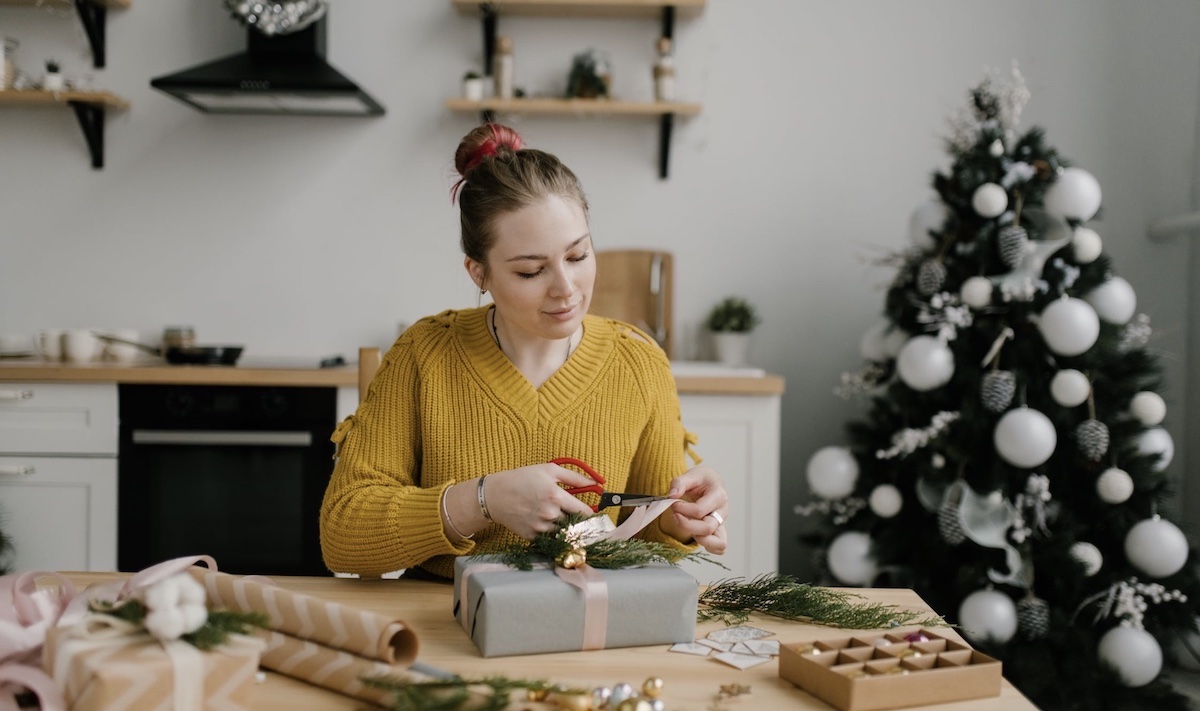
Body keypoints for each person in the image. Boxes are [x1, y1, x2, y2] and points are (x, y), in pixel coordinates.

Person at [319, 123, 729, 580]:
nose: (566, 289)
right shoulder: (424, 355)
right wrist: (485, 499)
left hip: (586, 623)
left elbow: (648, 533)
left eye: (577, 256)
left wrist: (682, 520)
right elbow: (343, 534)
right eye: (531, 272)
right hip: (445, 624)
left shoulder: (638, 362)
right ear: (479, 274)